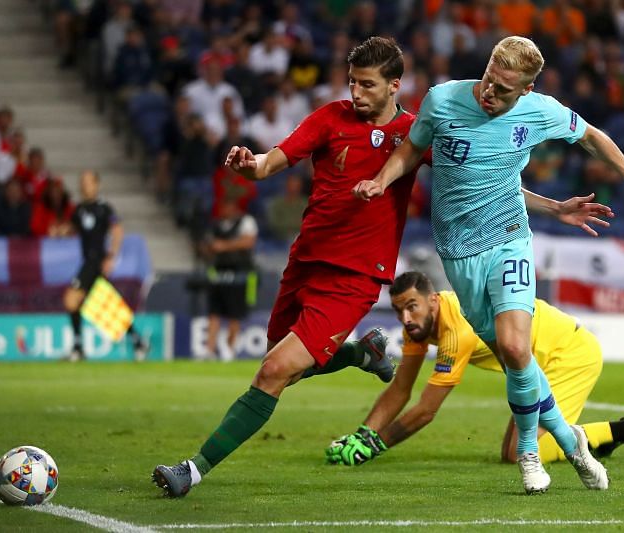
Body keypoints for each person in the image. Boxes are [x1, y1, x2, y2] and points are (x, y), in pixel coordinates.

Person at [353, 36, 624, 494]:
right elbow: (410, 149)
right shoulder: (443, 101)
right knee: (512, 357)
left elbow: (593, 137)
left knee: (516, 347)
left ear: (527, 89)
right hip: (459, 253)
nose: (489, 93)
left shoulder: (541, 111)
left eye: (503, 89)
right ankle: (571, 441)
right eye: (488, 80)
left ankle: (529, 454)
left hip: (510, 239)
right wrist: (382, 181)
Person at [151, 37, 418, 498]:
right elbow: (270, 162)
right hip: (306, 261)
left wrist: (546, 206)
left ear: (394, 85)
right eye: (352, 82)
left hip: (354, 276)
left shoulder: (414, 134)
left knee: (274, 371)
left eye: (367, 85)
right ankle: (361, 353)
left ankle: (192, 470)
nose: (356, 93)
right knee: (282, 360)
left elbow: (474, 175)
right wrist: (248, 163)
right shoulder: (329, 118)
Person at [326, 271, 624, 468]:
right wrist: (362, 434)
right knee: (512, 452)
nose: (405, 318)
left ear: (432, 301)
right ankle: (599, 441)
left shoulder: (455, 328)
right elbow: (400, 388)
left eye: (411, 307)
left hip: (568, 354)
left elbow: (426, 410)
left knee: (522, 454)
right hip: (536, 362)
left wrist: (375, 447)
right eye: (399, 310)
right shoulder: (418, 326)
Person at [62, 170, 148, 362]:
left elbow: (117, 230)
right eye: (82, 181)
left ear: (97, 184)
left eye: (89, 181)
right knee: (104, 304)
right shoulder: (78, 209)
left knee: (71, 300)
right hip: (88, 261)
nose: (85, 185)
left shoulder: (104, 208)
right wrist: (60, 230)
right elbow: (71, 228)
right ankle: (138, 342)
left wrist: (111, 256)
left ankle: (78, 348)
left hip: (96, 261)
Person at [200, 196, 259, 358]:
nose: (224, 210)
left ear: (234, 207)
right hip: (218, 273)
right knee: (214, 312)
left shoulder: (246, 221)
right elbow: (207, 245)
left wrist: (223, 246)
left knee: (235, 313)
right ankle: (209, 350)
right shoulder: (216, 224)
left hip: (239, 273)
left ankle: (229, 348)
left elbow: (248, 242)